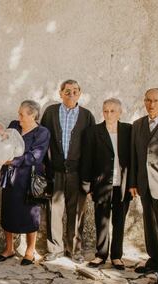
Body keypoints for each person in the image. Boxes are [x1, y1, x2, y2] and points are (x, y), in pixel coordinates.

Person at [41, 79, 95, 263]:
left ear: (80, 93)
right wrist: (44, 168)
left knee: (77, 211)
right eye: (67, 91)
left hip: (77, 172)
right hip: (55, 171)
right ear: (60, 93)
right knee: (54, 210)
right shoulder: (50, 112)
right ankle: (55, 249)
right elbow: (43, 140)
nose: (71, 93)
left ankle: (74, 250)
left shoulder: (87, 116)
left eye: (75, 90)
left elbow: (91, 147)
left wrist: (89, 177)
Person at [0, 100, 50, 265]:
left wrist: (12, 160)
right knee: (8, 211)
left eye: (22, 114)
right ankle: (9, 248)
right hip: (10, 177)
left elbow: (36, 156)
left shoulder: (42, 132)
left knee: (30, 214)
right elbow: (1, 141)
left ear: (32, 115)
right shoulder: (14, 125)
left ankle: (29, 250)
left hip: (29, 178)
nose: (18, 116)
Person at [81, 98, 131, 270]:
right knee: (101, 220)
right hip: (101, 185)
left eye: (112, 111)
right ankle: (101, 255)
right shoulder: (93, 132)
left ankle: (117, 256)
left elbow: (133, 160)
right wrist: (87, 186)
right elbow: (87, 160)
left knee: (119, 221)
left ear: (120, 112)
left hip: (122, 185)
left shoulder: (128, 130)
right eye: (105, 110)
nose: (109, 114)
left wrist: (133, 184)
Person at [129, 88, 158, 284]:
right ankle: (154, 260)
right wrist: (134, 182)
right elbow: (135, 156)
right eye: (148, 100)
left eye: (156, 101)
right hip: (145, 184)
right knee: (150, 226)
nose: (151, 104)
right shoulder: (138, 125)